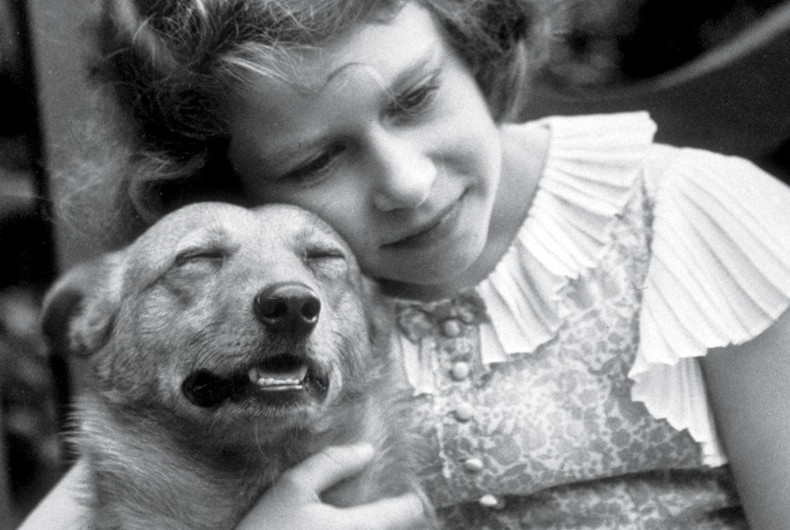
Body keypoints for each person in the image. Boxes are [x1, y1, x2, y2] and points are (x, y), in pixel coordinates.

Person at [21, 0, 790, 528]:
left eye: (416, 96)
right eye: (318, 158)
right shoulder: (277, 321)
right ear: (229, 183)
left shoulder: (695, 222)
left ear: (471, 43)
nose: (407, 182)